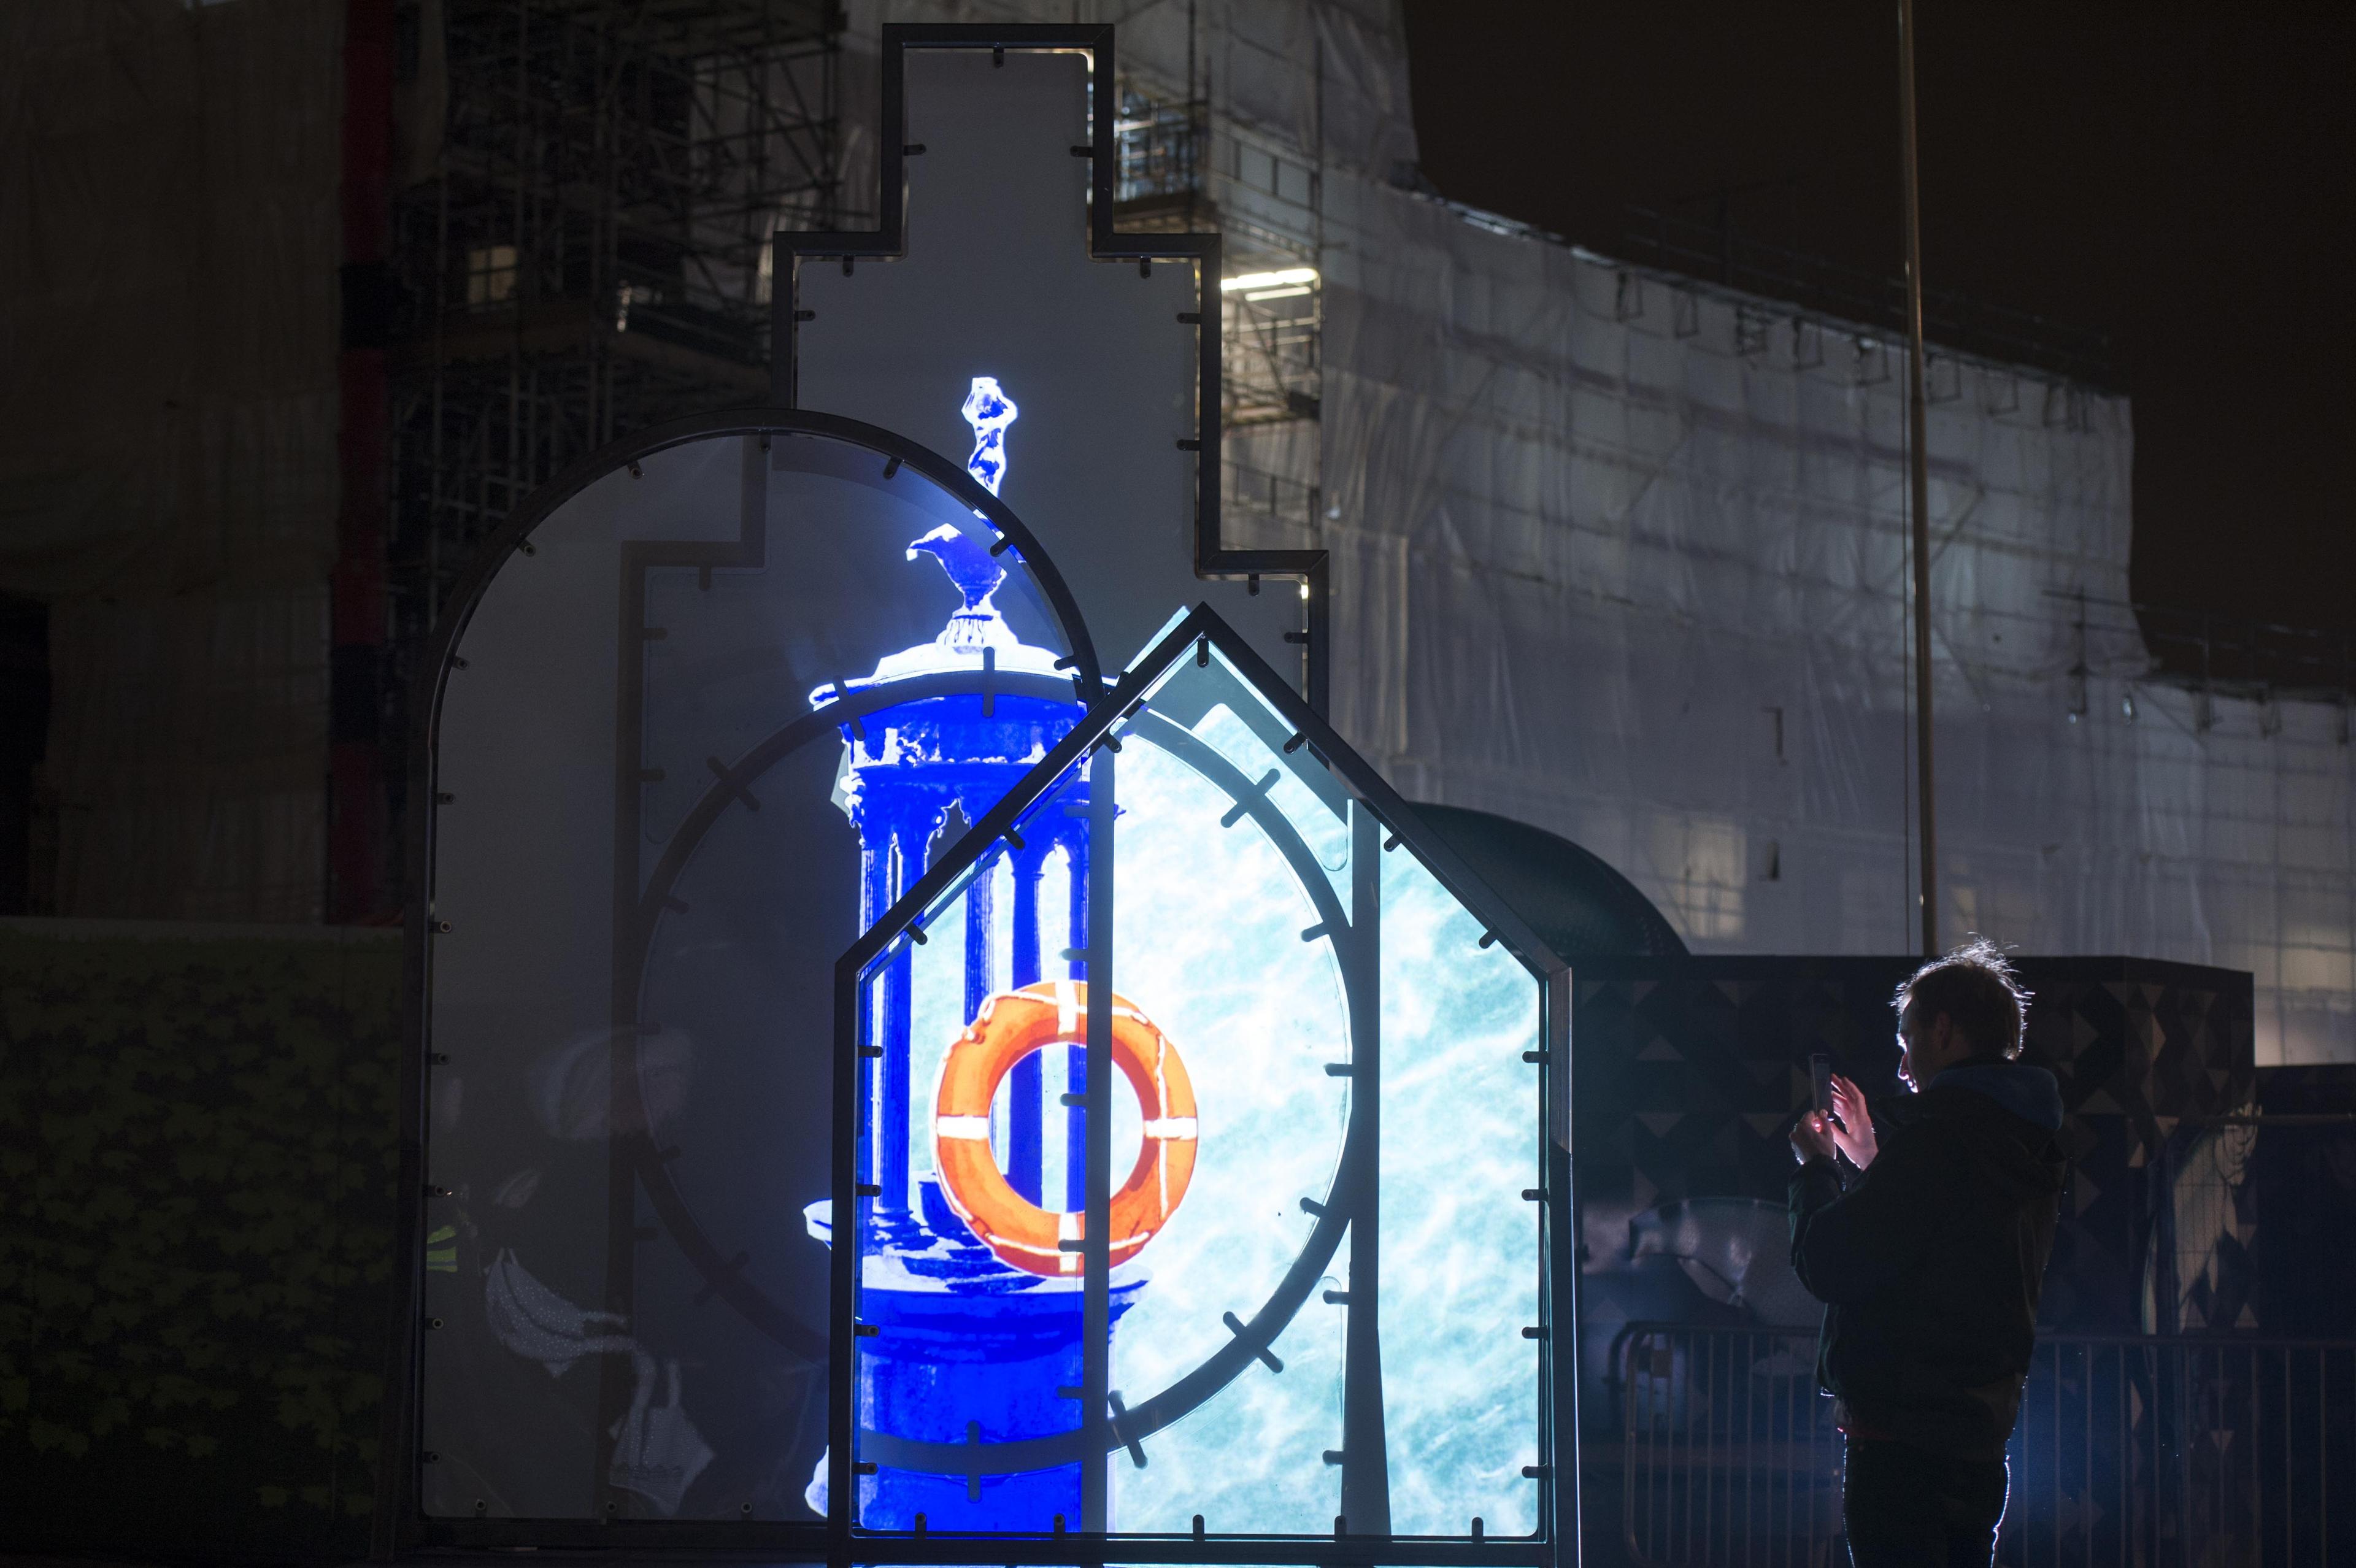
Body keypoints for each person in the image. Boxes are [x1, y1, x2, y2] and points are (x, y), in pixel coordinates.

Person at [1787, 938, 2066, 1568]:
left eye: (1908, 1039)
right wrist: (1874, 1164)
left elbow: (1830, 1261)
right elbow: (1948, 1245)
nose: (1905, 1067)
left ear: (1944, 1030)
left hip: (1901, 1443)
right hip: (1978, 1437)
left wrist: (1818, 1169)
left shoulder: (1938, 1141)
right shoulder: (2025, 1142)